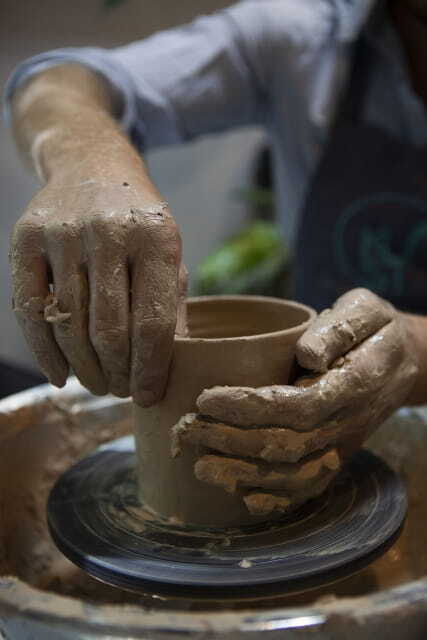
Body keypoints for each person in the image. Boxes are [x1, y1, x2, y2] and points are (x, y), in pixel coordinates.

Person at [5, 0, 427, 514]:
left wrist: (416, 350)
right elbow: (57, 80)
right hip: (300, 419)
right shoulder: (306, 35)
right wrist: (86, 162)